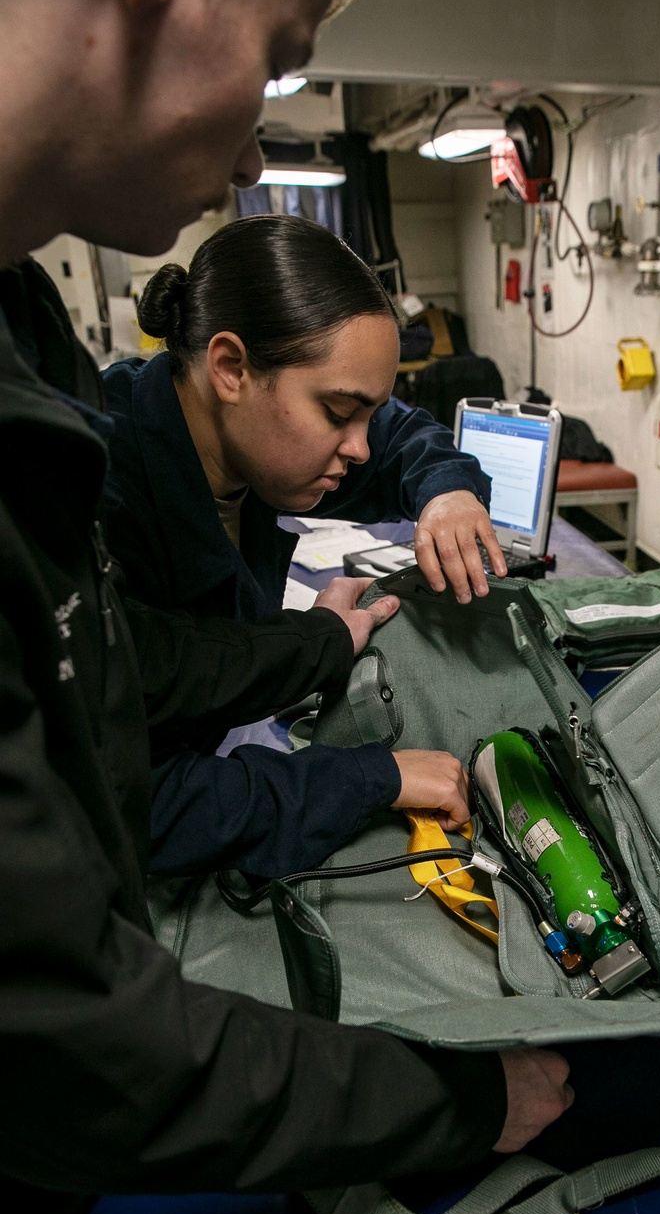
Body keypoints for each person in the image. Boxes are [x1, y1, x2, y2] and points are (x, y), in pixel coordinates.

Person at [0, 0, 572, 1214]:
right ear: (229, 367)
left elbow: (132, 673)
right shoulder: (92, 472)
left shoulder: (55, 360)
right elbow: (117, 845)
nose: (258, 154)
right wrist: (364, 778)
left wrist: (432, 500)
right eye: (277, 61)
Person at [101, 214, 504, 877]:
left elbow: (402, 440)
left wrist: (446, 491)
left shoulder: (254, 443)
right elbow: (138, 804)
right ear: (230, 367)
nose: (361, 447)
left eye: (367, 414)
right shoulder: (100, 497)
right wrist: (368, 777)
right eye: (341, 415)